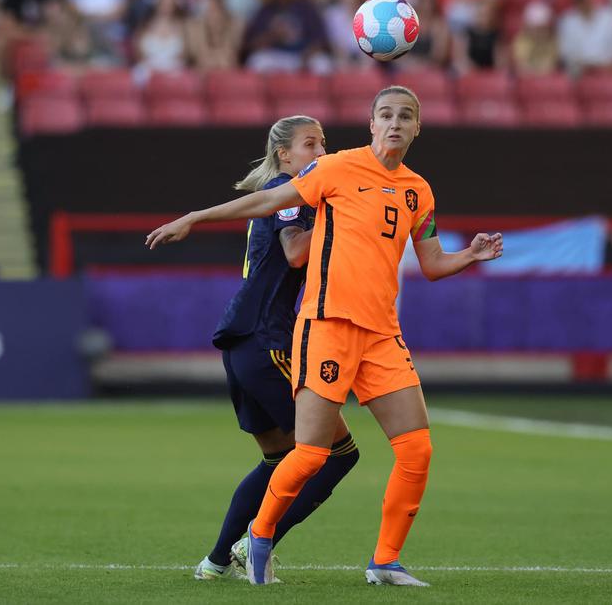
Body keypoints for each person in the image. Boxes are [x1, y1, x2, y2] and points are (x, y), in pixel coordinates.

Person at [147, 86, 504, 587]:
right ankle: (260, 539)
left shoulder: (417, 191)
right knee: (312, 453)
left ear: (418, 127)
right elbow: (270, 199)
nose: (395, 123)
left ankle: (385, 562)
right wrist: (195, 218)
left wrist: (469, 256)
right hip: (328, 326)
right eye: (386, 114)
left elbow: (431, 262)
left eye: (406, 116)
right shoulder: (336, 169)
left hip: (381, 334)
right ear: (371, 123)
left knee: (416, 449)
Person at [190, 116, 360, 581]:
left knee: (280, 459)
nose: (322, 151)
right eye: (311, 144)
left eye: (324, 142)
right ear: (285, 155)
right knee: (338, 453)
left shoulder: (284, 193)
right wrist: (342, 218)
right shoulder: (293, 193)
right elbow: (296, 252)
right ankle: (256, 543)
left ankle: (217, 560)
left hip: (240, 340)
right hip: (267, 341)